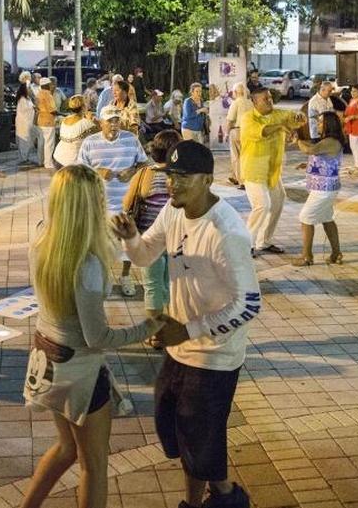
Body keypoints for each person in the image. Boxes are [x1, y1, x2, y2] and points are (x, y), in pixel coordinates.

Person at [109, 140, 260, 508]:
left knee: (198, 437)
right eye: (170, 175)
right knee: (178, 429)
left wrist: (189, 329)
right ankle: (217, 494)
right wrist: (130, 238)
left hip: (213, 355)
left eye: (183, 177)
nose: (172, 184)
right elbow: (146, 253)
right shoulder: (175, 212)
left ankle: (216, 500)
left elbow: (250, 303)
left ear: (207, 179)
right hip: (180, 348)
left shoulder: (227, 233)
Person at [20, 165, 163, 508]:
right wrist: (150, 326)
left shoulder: (42, 238)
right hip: (81, 371)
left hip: (47, 358)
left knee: (67, 447)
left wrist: (128, 237)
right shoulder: (88, 264)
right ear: (93, 202)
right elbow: (96, 337)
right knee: (94, 465)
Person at [77, 107, 148, 297]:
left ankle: (126, 276)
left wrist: (132, 171)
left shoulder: (131, 140)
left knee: (127, 244)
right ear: (101, 123)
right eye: (109, 121)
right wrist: (96, 172)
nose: (114, 124)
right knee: (99, 245)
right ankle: (104, 278)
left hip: (126, 205)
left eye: (117, 120)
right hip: (99, 206)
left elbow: (144, 163)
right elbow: (79, 171)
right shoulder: (90, 143)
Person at [240, 86, 306, 257]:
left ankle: (264, 241)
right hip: (254, 170)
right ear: (254, 102)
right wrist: (280, 126)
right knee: (262, 205)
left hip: (273, 171)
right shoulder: (248, 118)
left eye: (270, 98)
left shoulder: (278, 114)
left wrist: (300, 116)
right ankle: (245, 245)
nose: (269, 101)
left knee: (278, 201)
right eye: (265, 99)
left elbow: (297, 118)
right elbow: (263, 131)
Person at [122, 129, 180, 316]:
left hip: (149, 238)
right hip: (177, 238)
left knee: (153, 286)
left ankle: (156, 333)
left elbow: (127, 203)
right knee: (172, 286)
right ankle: (173, 328)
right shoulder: (182, 176)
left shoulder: (144, 174)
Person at [292, 113, 345, 266]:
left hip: (324, 190)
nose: (319, 124)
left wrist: (298, 141)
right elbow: (319, 155)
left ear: (329, 124)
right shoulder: (329, 142)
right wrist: (308, 165)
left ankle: (306, 257)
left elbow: (311, 150)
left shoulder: (331, 141)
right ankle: (336, 254)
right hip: (326, 188)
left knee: (305, 218)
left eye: (321, 122)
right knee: (327, 219)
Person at [54, 96, 99, 168]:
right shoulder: (86, 123)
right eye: (86, 103)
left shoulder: (65, 119)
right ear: (83, 107)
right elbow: (102, 131)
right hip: (72, 162)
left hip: (58, 158)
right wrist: (93, 120)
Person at [225, 83, 253, 188]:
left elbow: (230, 120)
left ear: (235, 92)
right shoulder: (250, 103)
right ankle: (235, 177)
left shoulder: (236, 103)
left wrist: (226, 133)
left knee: (236, 157)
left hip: (237, 131)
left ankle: (241, 181)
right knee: (245, 157)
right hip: (248, 132)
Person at [36, 76, 59, 171]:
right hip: (48, 121)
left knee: (41, 143)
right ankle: (48, 163)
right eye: (50, 84)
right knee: (49, 143)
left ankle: (40, 161)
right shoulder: (48, 95)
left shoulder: (39, 94)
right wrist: (61, 114)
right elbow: (52, 110)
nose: (51, 86)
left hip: (40, 121)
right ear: (47, 85)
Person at [343, 85, 358, 172]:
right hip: (351, 124)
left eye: (355, 91)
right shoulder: (352, 100)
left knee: (354, 145)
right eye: (352, 91)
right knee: (352, 145)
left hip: (357, 124)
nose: (352, 93)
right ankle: (357, 164)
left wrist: (352, 117)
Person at [15, 82, 38, 165]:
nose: (30, 90)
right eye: (29, 88)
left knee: (27, 141)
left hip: (28, 123)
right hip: (23, 123)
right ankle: (23, 159)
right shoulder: (22, 99)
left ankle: (26, 158)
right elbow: (25, 109)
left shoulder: (28, 98)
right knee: (23, 141)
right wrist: (33, 107)